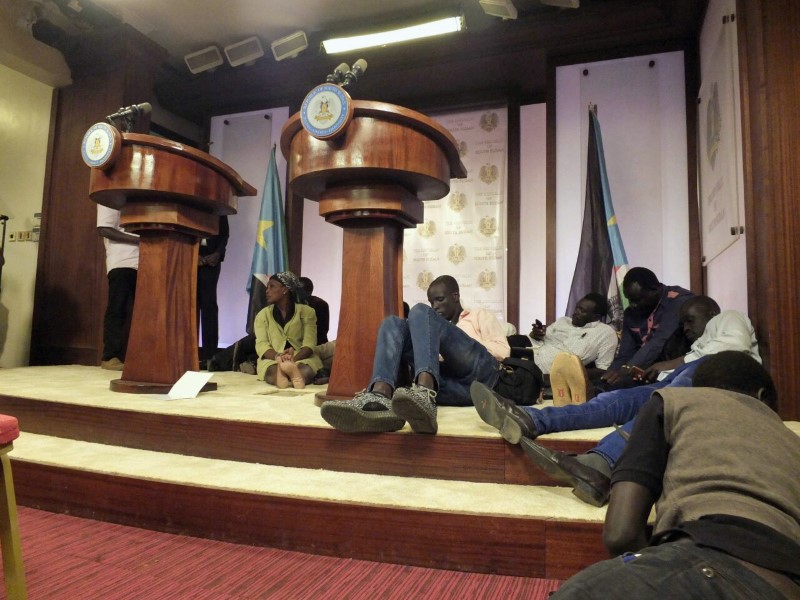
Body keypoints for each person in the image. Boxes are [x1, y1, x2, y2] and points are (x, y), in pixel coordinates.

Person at [551, 353, 800, 599]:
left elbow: (621, 535)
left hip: (709, 563)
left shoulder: (675, 401)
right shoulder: (794, 443)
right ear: (761, 396)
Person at [471, 296, 760, 505]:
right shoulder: (698, 344)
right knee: (612, 401)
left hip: (719, 381)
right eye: (682, 322)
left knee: (658, 406)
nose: (685, 327)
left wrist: (671, 363)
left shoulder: (728, 317)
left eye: (690, 320)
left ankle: (601, 463)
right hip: (683, 381)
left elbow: (733, 347)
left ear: (710, 309)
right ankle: (531, 418)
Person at [320, 275, 510, 435]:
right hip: (454, 388)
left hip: (482, 375)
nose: (435, 306)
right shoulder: (428, 325)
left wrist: (453, 342)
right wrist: (428, 346)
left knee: (419, 311)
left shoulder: (478, 315)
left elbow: (503, 350)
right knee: (392, 323)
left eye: (440, 299)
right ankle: (379, 396)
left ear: (455, 296)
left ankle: (425, 393)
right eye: (432, 302)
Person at [600, 267, 693, 389]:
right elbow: (625, 354)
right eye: (629, 300)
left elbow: (659, 341)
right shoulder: (631, 313)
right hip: (644, 370)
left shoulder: (678, 301)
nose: (632, 305)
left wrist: (627, 369)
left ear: (654, 290)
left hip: (677, 370)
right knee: (602, 387)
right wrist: (611, 374)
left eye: (637, 299)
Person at [514, 293, 618, 376]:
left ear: (595, 317)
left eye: (582, 311)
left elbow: (602, 369)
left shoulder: (606, 333)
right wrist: (536, 333)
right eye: (577, 307)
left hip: (547, 369)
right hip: (533, 350)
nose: (576, 312)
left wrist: (569, 375)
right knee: (507, 342)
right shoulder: (563, 321)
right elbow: (540, 338)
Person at [254, 271, 322, 389]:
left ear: (285, 290)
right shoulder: (262, 315)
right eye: (267, 287)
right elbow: (261, 345)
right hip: (273, 358)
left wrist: (293, 360)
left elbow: (309, 344)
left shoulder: (306, 312)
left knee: (306, 370)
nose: (267, 290)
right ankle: (283, 374)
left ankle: (292, 372)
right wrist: (278, 357)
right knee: (271, 371)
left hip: (301, 357)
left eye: (272, 286)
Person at [97, 205, 139, 371]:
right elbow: (104, 229)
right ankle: (109, 356)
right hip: (122, 261)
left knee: (146, 313)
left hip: (146, 260)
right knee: (118, 309)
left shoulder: (136, 198)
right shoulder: (108, 198)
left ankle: (144, 356)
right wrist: (140, 239)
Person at [197, 215, 229, 366]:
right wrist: (192, 254)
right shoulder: (191, 204)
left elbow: (224, 235)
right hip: (190, 258)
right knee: (189, 306)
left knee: (209, 304)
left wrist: (218, 254)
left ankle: (210, 354)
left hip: (212, 261)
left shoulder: (219, 207)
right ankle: (189, 352)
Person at [298, 276, 330, 345]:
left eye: (298, 290)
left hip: (316, 345)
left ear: (309, 291)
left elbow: (321, 331)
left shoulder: (320, 304)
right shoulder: (292, 304)